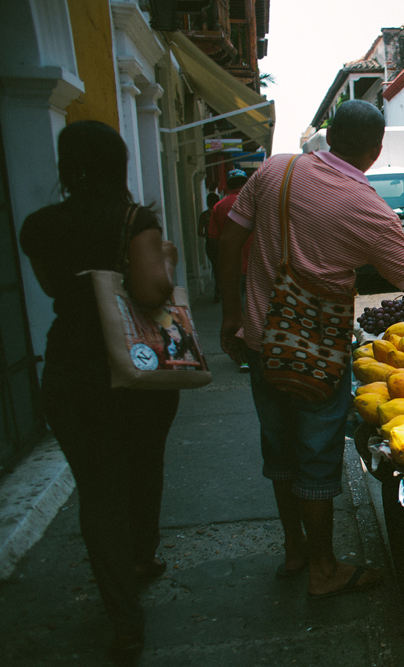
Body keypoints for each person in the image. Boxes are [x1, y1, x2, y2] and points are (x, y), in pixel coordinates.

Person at [217, 100, 404, 599]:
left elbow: (229, 243)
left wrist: (231, 314)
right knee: (316, 459)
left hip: (263, 346)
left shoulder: (277, 171)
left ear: (329, 135)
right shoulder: (368, 207)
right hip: (316, 356)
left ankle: (295, 549)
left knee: (281, 451)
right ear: (375, 152)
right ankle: (324, 568)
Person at [19, 120, 180, 662]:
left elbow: (52, 288)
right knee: (143, 466)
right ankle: (141, 556)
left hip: (70, 368)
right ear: (119, 163)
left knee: (99, 490)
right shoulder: (134, 219)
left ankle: (123, 617)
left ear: (68, 167)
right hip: (136, 367)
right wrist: (166, 259)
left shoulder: (39, 226)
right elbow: (152, 291)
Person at [214, 169, 252, 371]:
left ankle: (244, 356)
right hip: (256, 267)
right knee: (254, 312)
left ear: (228, 185)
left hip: (232, 267)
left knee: (238, 313)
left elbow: (215, 240)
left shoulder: (219, 206)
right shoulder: (256, 202)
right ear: (245, 183)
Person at [197, 192, 221, 302]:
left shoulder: (204, 215)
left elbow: (199, 232)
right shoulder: (221, 213)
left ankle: (218, 291)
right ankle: (222, 291)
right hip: (222, 243)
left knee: (216, 268)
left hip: (210, 244)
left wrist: (208, 235)